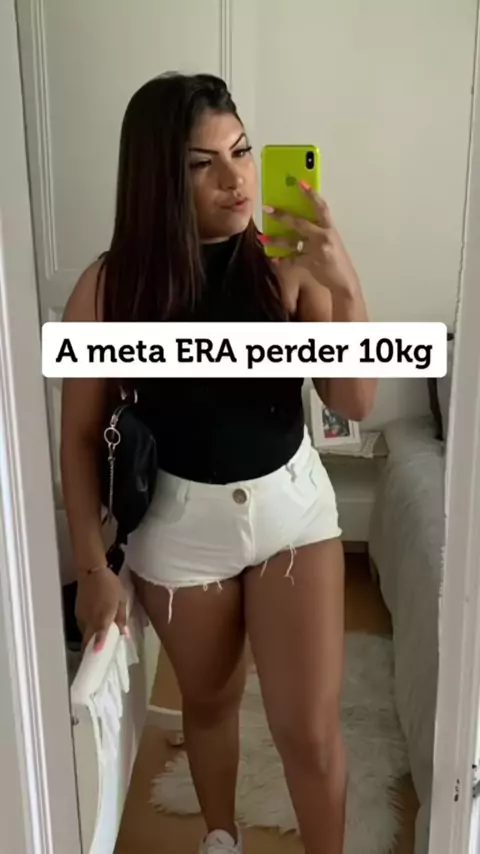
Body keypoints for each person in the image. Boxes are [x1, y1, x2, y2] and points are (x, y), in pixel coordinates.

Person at [61, 72, 377, 854]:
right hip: (178, 531)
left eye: (241, 150)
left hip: (293, 516)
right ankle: (221, 838)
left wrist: (343, 284)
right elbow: (80, 437)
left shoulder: (284, 262)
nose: (237, 178)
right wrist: (93, 569)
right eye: (204, 164)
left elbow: (354, 399)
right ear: (158, 180)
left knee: (309, 733)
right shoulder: (110, 288)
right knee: (209, 706)